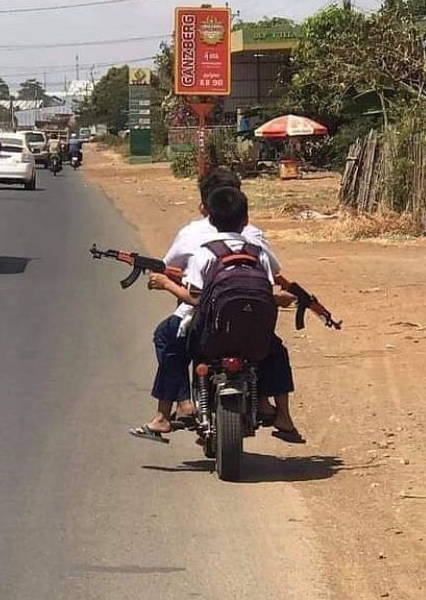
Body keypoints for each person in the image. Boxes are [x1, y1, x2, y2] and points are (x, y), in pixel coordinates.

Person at [129, 184, 303, 444]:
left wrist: (167, 284)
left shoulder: (205, 252)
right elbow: (268, 289)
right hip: (255, 336)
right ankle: (283, 416)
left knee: (170, 341)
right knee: (277, 351)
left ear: (208, 216)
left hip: (212, 336)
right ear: (245, 220)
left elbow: (196, 299)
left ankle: (170, 412)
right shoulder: (259, 251)